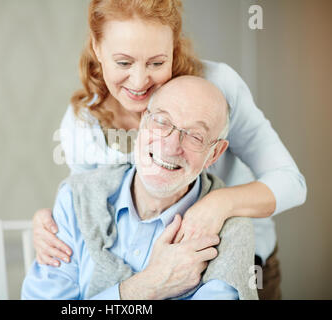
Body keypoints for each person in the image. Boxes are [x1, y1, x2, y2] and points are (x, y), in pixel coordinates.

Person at [32, 0, 307, 300]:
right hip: (134, 278)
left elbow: (291, 182)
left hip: (232, 262)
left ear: (174, 48)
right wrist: (50, 223)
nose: (139, 82)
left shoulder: (219, 86)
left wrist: (217, 206)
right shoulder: (84, 123)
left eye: (156, 62)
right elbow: (85, 204)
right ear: (97, 47)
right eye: (124, 62)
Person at [22, 76, 257, 300]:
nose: (172, 145)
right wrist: (147, 286)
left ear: (213, 153)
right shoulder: (76, 198)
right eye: (163, 121)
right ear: (143, 120)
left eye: (195, 136)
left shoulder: (231, 231)